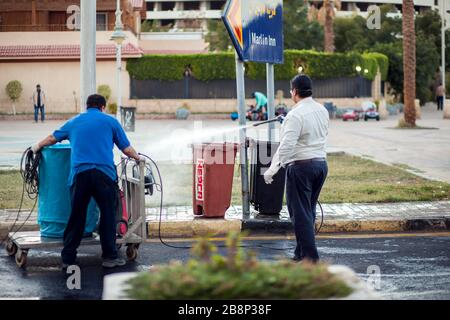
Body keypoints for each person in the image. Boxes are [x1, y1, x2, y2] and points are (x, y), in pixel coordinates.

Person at [30, 94, 144, 269]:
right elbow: (126, 148)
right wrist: (137, 158)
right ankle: (109, 258)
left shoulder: (74, 122)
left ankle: (68, 259)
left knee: (77, 216)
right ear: (102, 107)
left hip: (80, 175)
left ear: (87, 106)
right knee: (107, 215)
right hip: (104, 175)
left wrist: (36, 146)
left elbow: (52, 138)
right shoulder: (111, 122)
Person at [263, 75, 329, 263]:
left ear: (295, 92)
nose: (291, 93)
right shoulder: (322, 110)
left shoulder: (295, 114)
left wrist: (271, 170)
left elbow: (286, 147)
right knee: (308, 212)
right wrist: (288, 124)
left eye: (291, 90)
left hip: (301, 168)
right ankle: (300, 253)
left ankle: (310, 258)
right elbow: (313, 134)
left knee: (300, 216)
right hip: (320, 165)